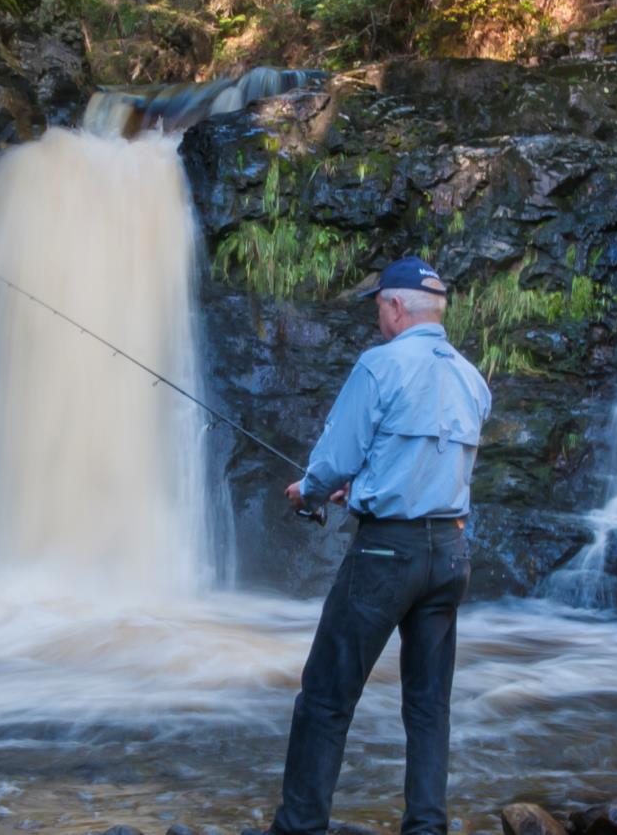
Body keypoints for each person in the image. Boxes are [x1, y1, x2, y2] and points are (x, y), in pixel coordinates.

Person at [271, 257, 492, 835]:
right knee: (427, 705)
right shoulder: (473, 379)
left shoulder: (380, 367)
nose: (377, 315)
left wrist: (310, 493)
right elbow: (436, 464)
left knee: (325, 695)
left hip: (385, 557)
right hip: (449, 555)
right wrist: (365, 487)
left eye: (377, 305)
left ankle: (299, 827)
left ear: (395, 306)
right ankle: (425, 826)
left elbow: (336, 459)